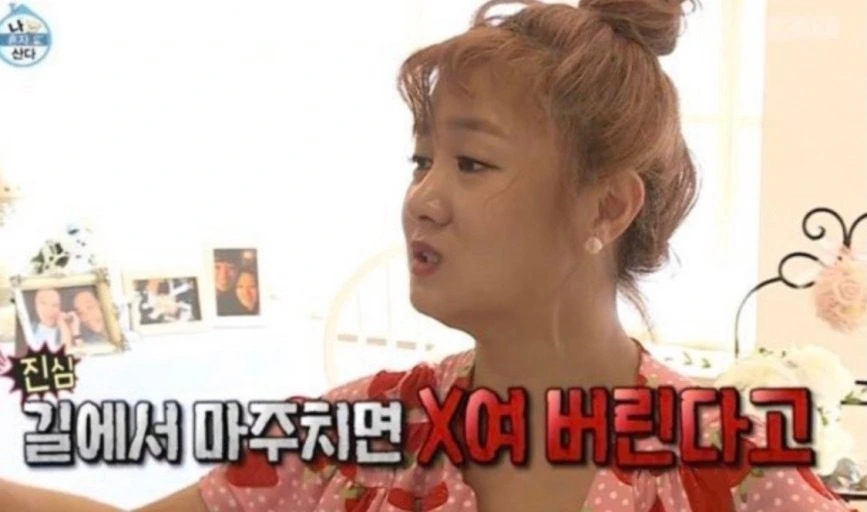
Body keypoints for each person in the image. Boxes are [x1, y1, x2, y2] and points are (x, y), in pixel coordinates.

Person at [0, 1, 852, 511]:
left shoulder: (731, 466)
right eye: (420, 161)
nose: (423, 198)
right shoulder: (358, 435)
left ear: (606, 206)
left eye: (471, 163)